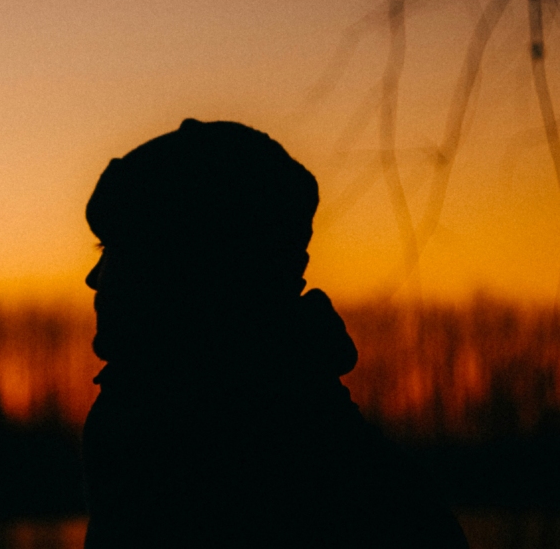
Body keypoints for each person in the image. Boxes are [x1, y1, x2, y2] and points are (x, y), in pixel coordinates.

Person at [81, 119, 469, 548]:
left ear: (192, 270)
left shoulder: (271, 471)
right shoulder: (164, 436)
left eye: (116, 251)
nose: (94, 278)